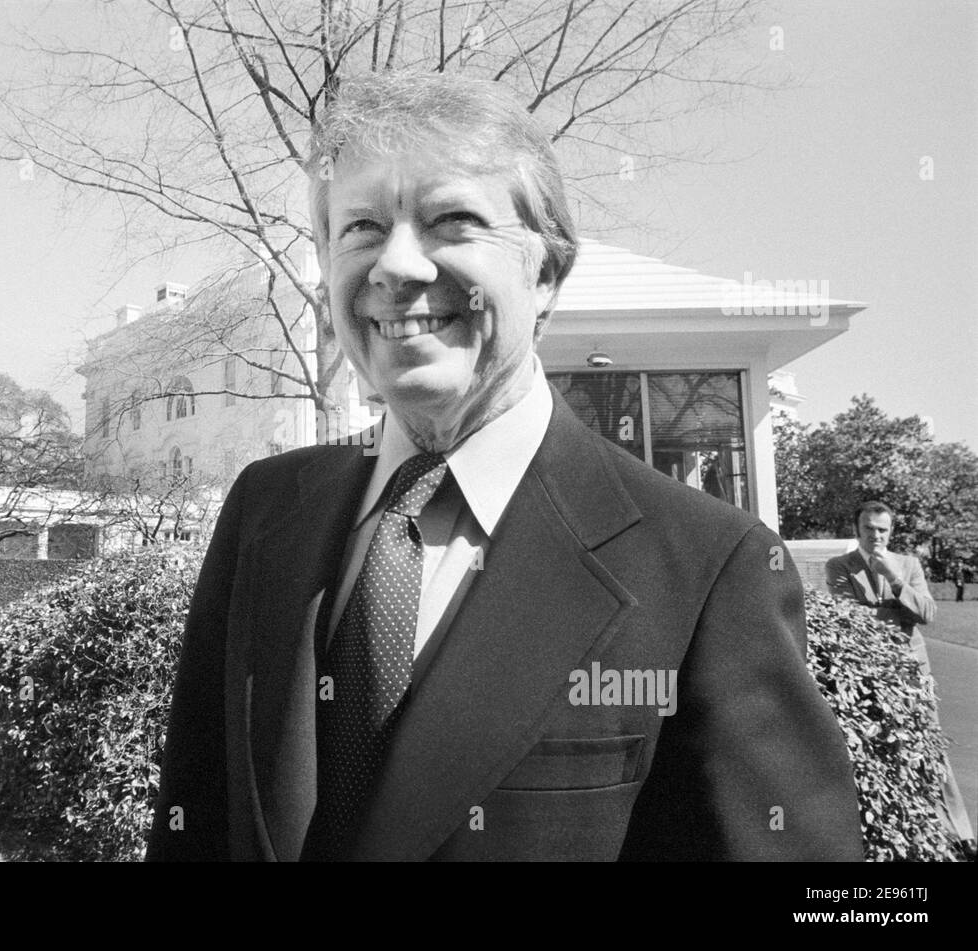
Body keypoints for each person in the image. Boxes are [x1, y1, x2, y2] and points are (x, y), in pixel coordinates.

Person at [147, 71, 863, 862]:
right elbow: (198, 814)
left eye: (451, 220)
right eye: (360, 228)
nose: (397, 266)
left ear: (546, 271)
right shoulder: (265, 509)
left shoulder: (705, 567)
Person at [826, 501, 975, 853]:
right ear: (857, 530)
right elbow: (850, 619)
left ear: (890, 531)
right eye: (869, 528)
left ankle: (961, 832)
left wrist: (893, 578)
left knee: (931, 747)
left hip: (914, 670)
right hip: (866, 671)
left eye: (882, 529)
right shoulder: (839, 566)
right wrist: (900, 613)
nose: (876, 535)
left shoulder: (908, 565)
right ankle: (893, 834)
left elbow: (927, 614)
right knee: (876, 746)